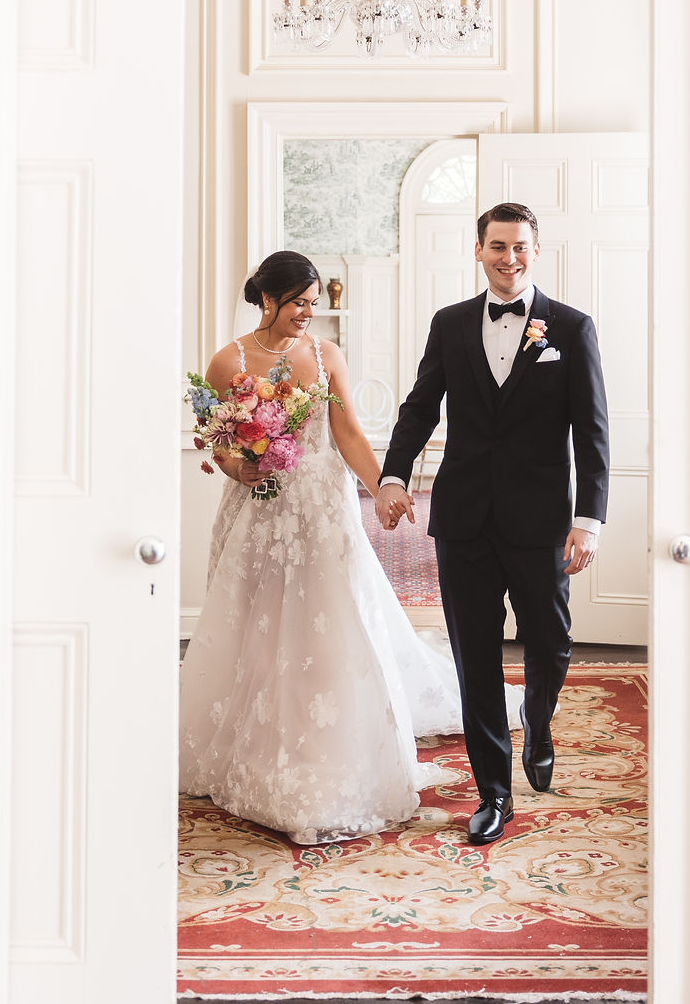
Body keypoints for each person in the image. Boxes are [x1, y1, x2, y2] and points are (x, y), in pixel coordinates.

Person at [179, 251, 521, 846]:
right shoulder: (226, 360)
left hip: (320, 508)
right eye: (298, 304)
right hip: (257, 511)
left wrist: (382, 488)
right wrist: (240, 468)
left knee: (328, 621)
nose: (308, 314)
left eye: (314, 304)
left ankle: (326, 739)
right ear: (267, 299)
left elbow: (349, 435)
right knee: (255, 622)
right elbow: (212, 436)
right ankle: (245, 737)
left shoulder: (324, 355)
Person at [377, 203, 609, 845]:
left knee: (551, 641)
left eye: (521, 247)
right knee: (474, 658)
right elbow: (421, 405)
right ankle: (494, 795)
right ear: (478, 250)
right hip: (464, 519)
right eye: (498, 246)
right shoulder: (449, 324)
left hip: (542, 522)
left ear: (538, 251)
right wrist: (393, 477)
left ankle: (538, 717)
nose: (510, 258)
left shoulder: (572, 327)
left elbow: (592, 435)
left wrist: (588, 519)